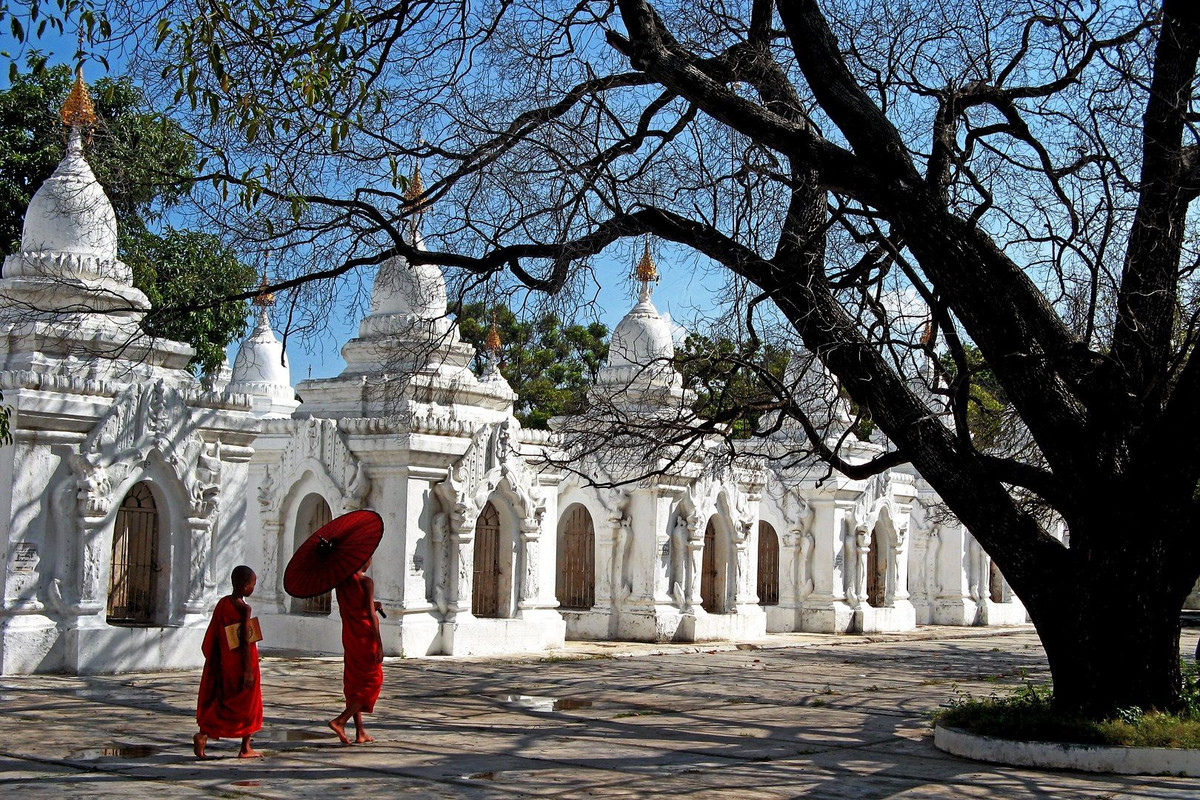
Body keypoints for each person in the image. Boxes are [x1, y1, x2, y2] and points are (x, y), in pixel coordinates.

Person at [194, 565, 264, 759]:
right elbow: (243, 639)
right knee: (249, 704)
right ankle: (245, 747)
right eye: (252, 584)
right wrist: (248, 670)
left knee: (223, 701)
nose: (253, 588)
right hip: (242, 663)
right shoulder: (244, 608)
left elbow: (216, 633)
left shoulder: (223, 603)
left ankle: (203, 734)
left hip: (225, 660)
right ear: (244, 586)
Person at [329, 559, 384, 745]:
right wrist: (380, 644)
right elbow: (369, 615)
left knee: (354, 683)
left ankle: (360, 732)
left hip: (350, 636)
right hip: (366, 637)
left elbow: (353, 607)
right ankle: (340, 721)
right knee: (372, 682)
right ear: (364, 560)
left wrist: (371, 604)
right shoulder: (366, 582)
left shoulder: (340, 583)